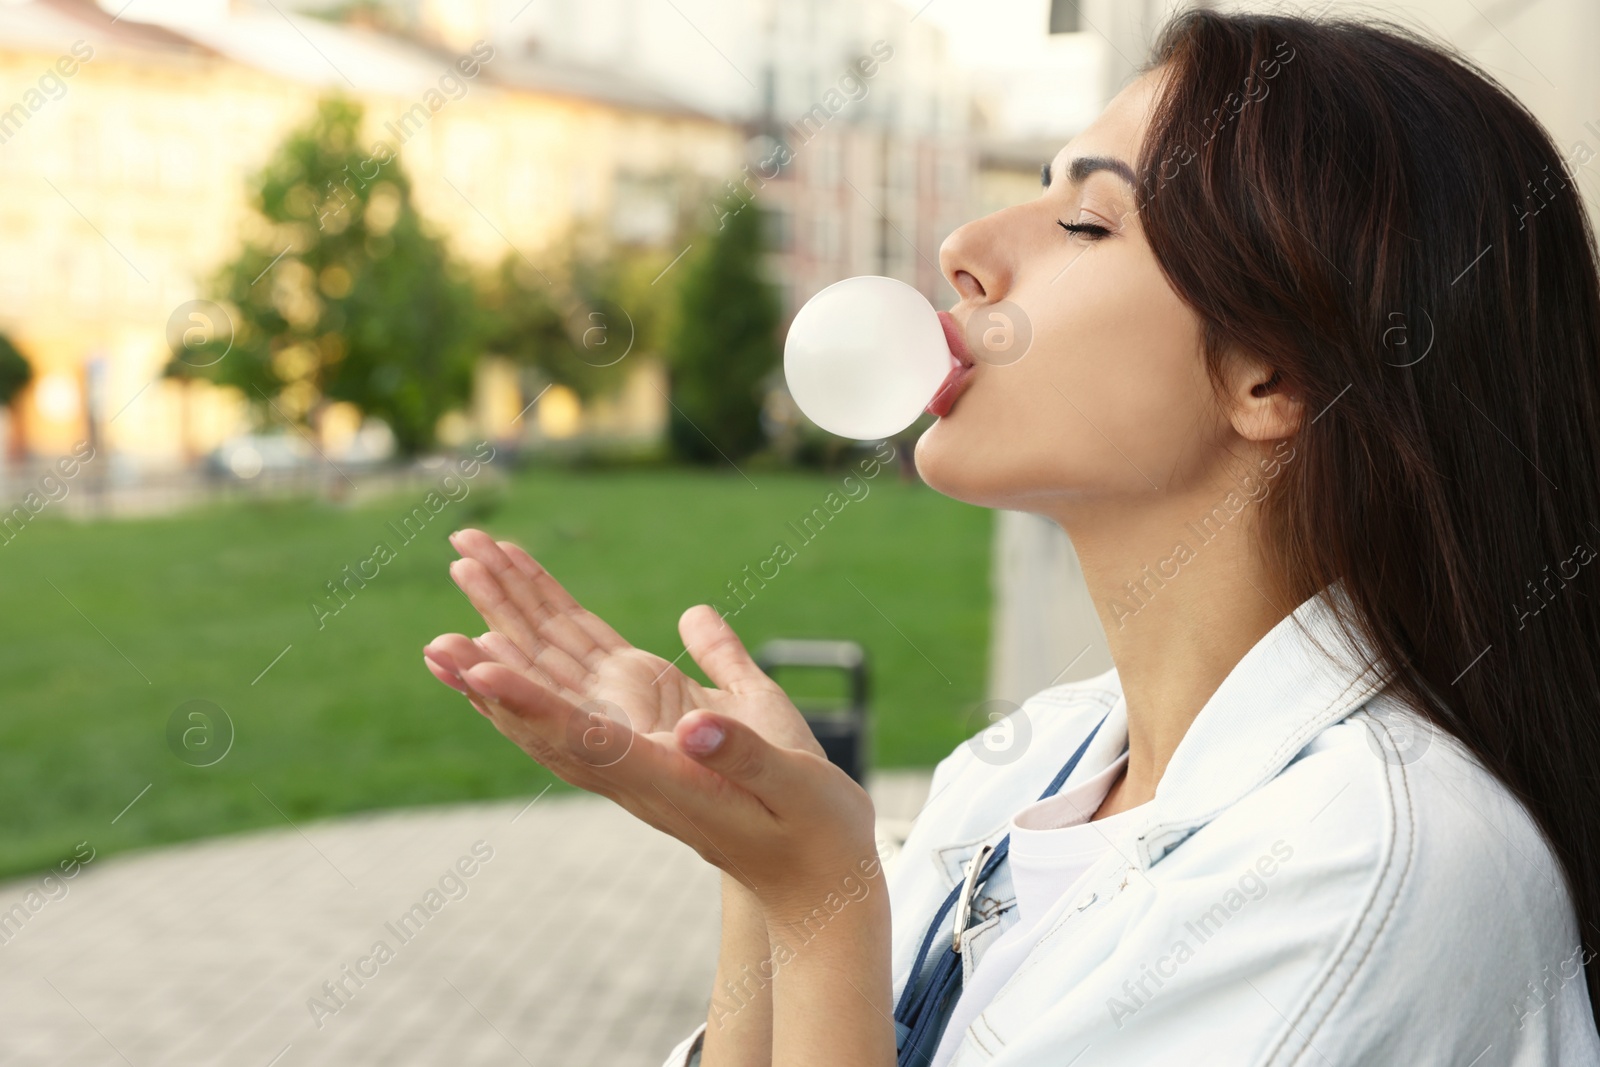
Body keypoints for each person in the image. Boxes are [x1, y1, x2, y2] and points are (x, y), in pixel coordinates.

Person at [421, 9, 1600, 1064]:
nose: (965, 247)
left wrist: (818, 895)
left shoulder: (1371, 867)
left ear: (1269, 372)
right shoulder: (1029, 764)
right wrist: (755, 850)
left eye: (1085, 221)